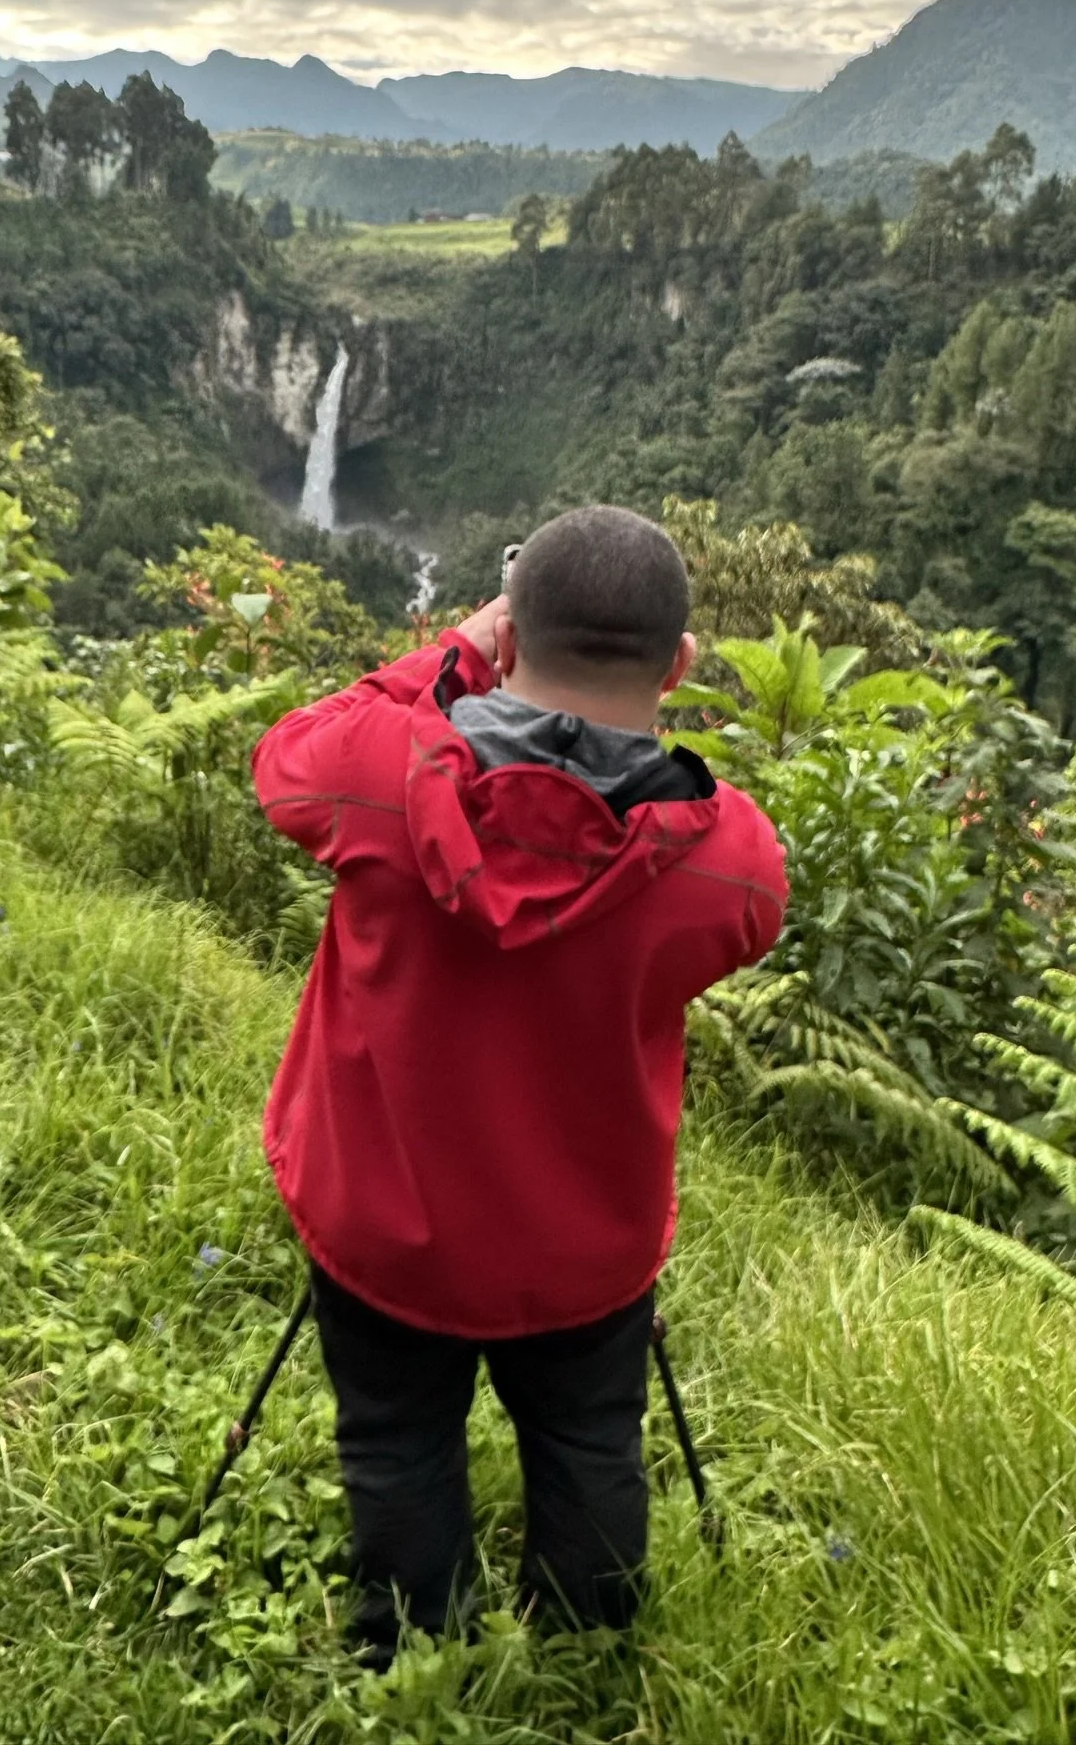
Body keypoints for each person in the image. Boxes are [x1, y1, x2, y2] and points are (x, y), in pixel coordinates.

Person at [252, 504, 788, 1662]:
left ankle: (411, 1648)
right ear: (680, 663)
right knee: (593, 1442)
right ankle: (588, 1653)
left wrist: (453, 653)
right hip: (584, 1246)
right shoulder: (727, 863)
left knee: (395, 1444)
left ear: (510, 630)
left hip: (384, 1224)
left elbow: (286, 753)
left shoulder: (375, 783)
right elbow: (747, 907)